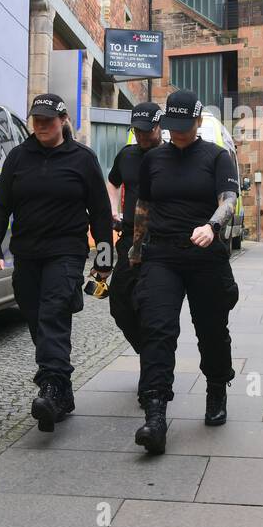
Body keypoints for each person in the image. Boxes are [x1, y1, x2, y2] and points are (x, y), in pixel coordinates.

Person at [0, 92, 113, 432]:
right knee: (34, 316)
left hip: (67, 252)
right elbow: (0, 204)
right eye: (36, 120)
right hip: (27, 253)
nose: (41, 126)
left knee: (53, 313)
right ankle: (62, 391)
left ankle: (51, 387)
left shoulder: (82, 159)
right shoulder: (18, 157)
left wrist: (103, 261)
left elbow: (100, 212)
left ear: (63, 121)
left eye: (48, 120)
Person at [129, 90, 240, 454]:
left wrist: (212, 225)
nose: (176, 133)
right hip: (161, 254)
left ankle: (216, 385)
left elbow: (229, 200)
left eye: (184, 126)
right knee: (157, 329)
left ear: (197, 121)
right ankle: (156, 412)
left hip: (205, 255)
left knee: (211, 330)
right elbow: (144, 206)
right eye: (171, 127)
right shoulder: (154, 159)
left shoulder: (217, 157)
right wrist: (135, 247)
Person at [106, 101, 162, 352]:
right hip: (128, 238)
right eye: (137, 131)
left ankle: (154, 362)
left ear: (159, 126)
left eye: (147, 131)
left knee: (151, 305)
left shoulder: (169, 155)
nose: (141, 136)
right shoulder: (127, 154)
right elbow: (113, 182)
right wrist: (113, 209)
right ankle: (146, 350)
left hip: (160, 240)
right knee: (119, 303)